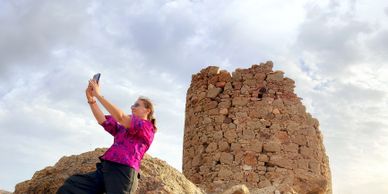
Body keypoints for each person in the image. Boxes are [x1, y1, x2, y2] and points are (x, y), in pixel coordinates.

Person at [56, 79, 157, 194]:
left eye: (136, 105)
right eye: (132, 105)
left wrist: (98, 95)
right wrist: (91, 99)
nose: (132, 107)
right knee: (72, 186)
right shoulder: (126, 126)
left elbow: (120, 117)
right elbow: (103, 120)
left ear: (147, 110)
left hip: (123, 171)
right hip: (106, 168)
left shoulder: (147, 127)